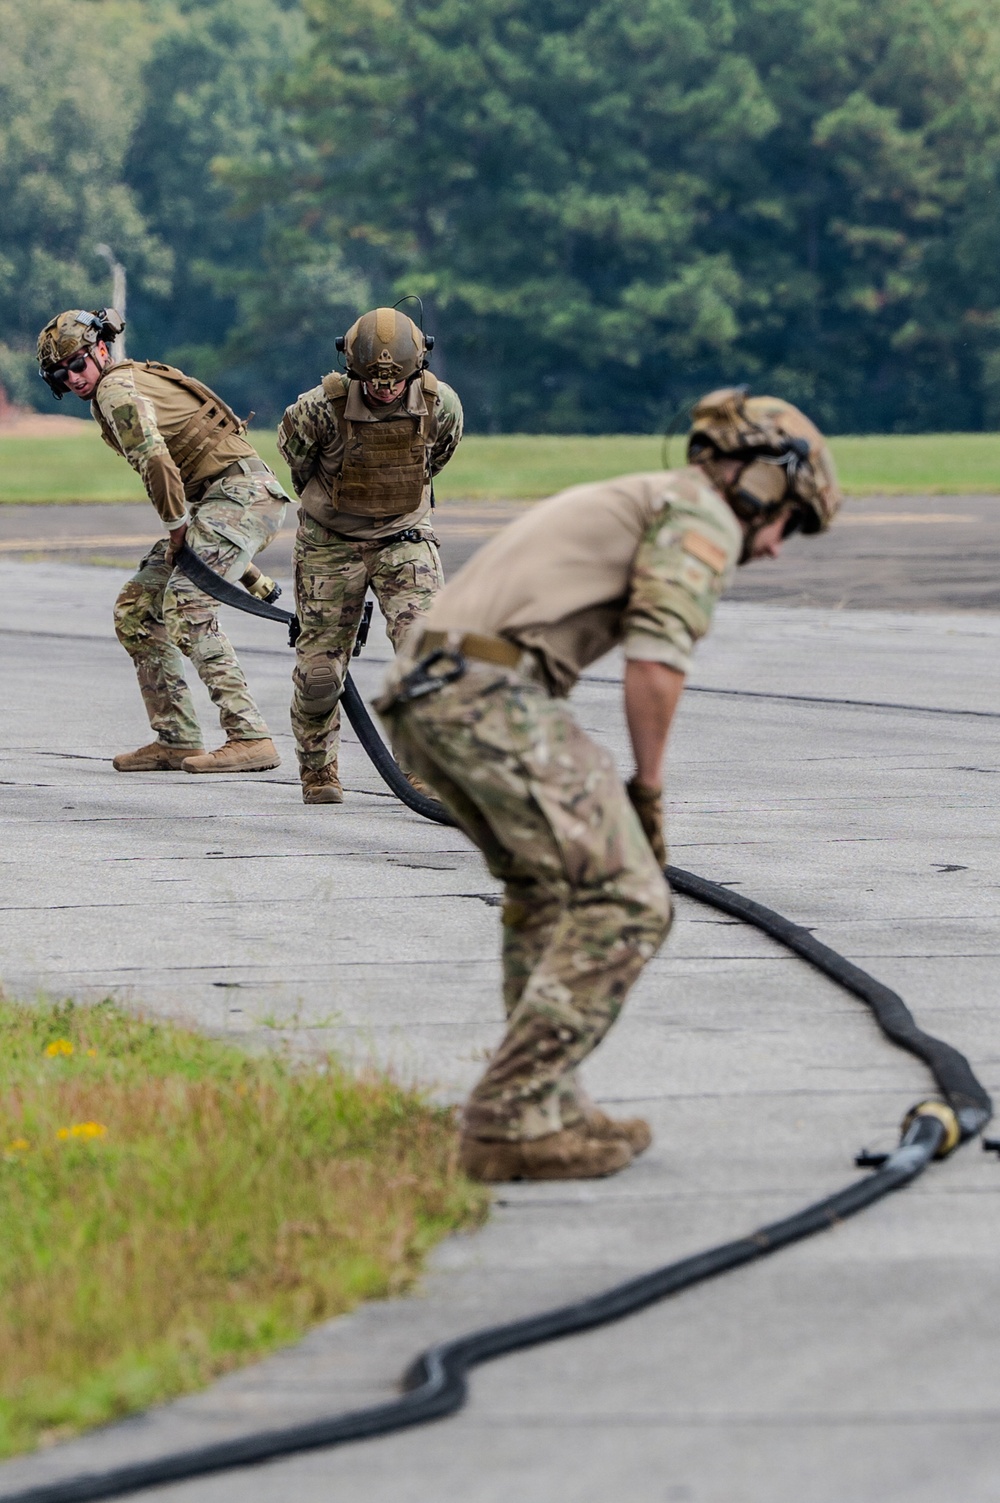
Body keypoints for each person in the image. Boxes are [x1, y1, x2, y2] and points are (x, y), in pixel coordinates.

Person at [376, 387, 842, 1182]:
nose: (775, 546)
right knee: (632, 899)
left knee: (549, 890)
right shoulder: (700, 516)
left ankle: (547, 1109)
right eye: (790, 520)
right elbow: (656, 661)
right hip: (487, 695)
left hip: (427, 693)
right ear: (762, 483)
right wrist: (648, 795)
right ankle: (508, 1113)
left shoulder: (644, 496)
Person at [36, 308, 289, 774]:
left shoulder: (115, 390)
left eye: (78, 364)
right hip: (226, 501)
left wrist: (177, 532)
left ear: (102, 351)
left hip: (241, 495)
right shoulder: (122, 386)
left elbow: (156, 460)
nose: (72, 377)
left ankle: (250, 736)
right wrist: (246, 573)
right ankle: (176, 737)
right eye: (60, 372)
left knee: (187, 605)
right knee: (137, 609)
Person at [277, 307, 463, 804]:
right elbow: (298, 462)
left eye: (396, 381)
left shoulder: (440, 404)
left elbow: (436, 458)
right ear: (352, 369)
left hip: (403, 535)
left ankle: (420, 771)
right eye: (373, 381)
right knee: (320, 674)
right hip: (330, 540)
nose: (385, 390)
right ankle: (319, 773)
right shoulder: (317, 409)